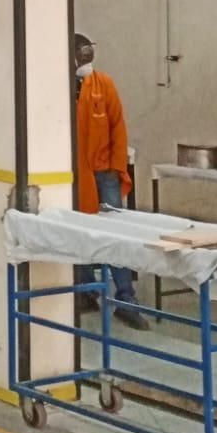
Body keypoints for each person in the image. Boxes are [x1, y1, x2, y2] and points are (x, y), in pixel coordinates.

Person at [75, 32, 148, 330]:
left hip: (104, 173)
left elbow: (118, 127)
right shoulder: (61, 89)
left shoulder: (104, 85)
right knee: (77, 233)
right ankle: (86, 291)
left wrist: (117, 170)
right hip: (76, 175)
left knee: (116, 235)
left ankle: (126, 299)